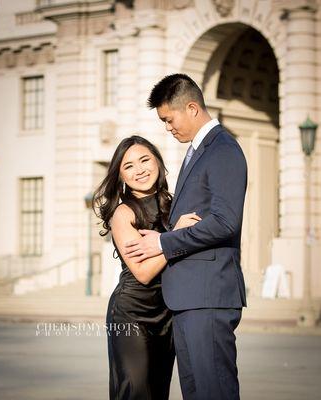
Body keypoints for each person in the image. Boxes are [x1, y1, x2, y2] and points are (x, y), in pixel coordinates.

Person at [124, 74, 248, 400]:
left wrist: (163, 242)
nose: (167, 127)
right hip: (188, 301)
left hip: (207, 298)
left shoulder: (223, 149)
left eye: (169, 119)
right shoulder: (197, 151)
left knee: (214, 392)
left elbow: (225, 222)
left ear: (192, 108)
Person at [93, 135, 199, 400]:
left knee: (158, 391)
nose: (139, 170)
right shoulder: (124, 214)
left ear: (159, 163)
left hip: (168, 313)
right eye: (128, 166)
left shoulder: (176, 205)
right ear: (120, 176)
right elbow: (143, 272)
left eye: (144, 160)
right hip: (131, 314)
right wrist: (175, 238)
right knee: (135, 391)